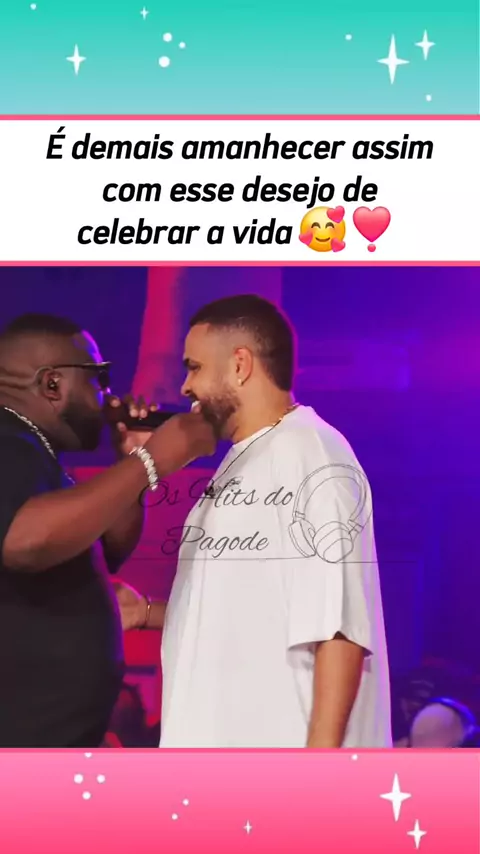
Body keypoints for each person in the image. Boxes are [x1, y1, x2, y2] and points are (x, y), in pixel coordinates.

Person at [118, 294, 392, 748]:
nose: (185, 387)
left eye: (194, 368)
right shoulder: (244, 460)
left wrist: (320, 772)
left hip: (283, 776)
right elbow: (248, 609)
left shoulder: (309, 452)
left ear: (240, 365)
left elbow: (339, 625)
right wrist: (146, 612)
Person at [0, 313, 215, 747]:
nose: (108, 394)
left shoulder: (36, 452)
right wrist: (150, 462)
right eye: (98, 378)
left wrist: (130, 462)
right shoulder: (7, 443)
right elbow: (23, 542)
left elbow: (108, 549)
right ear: (53, 384)